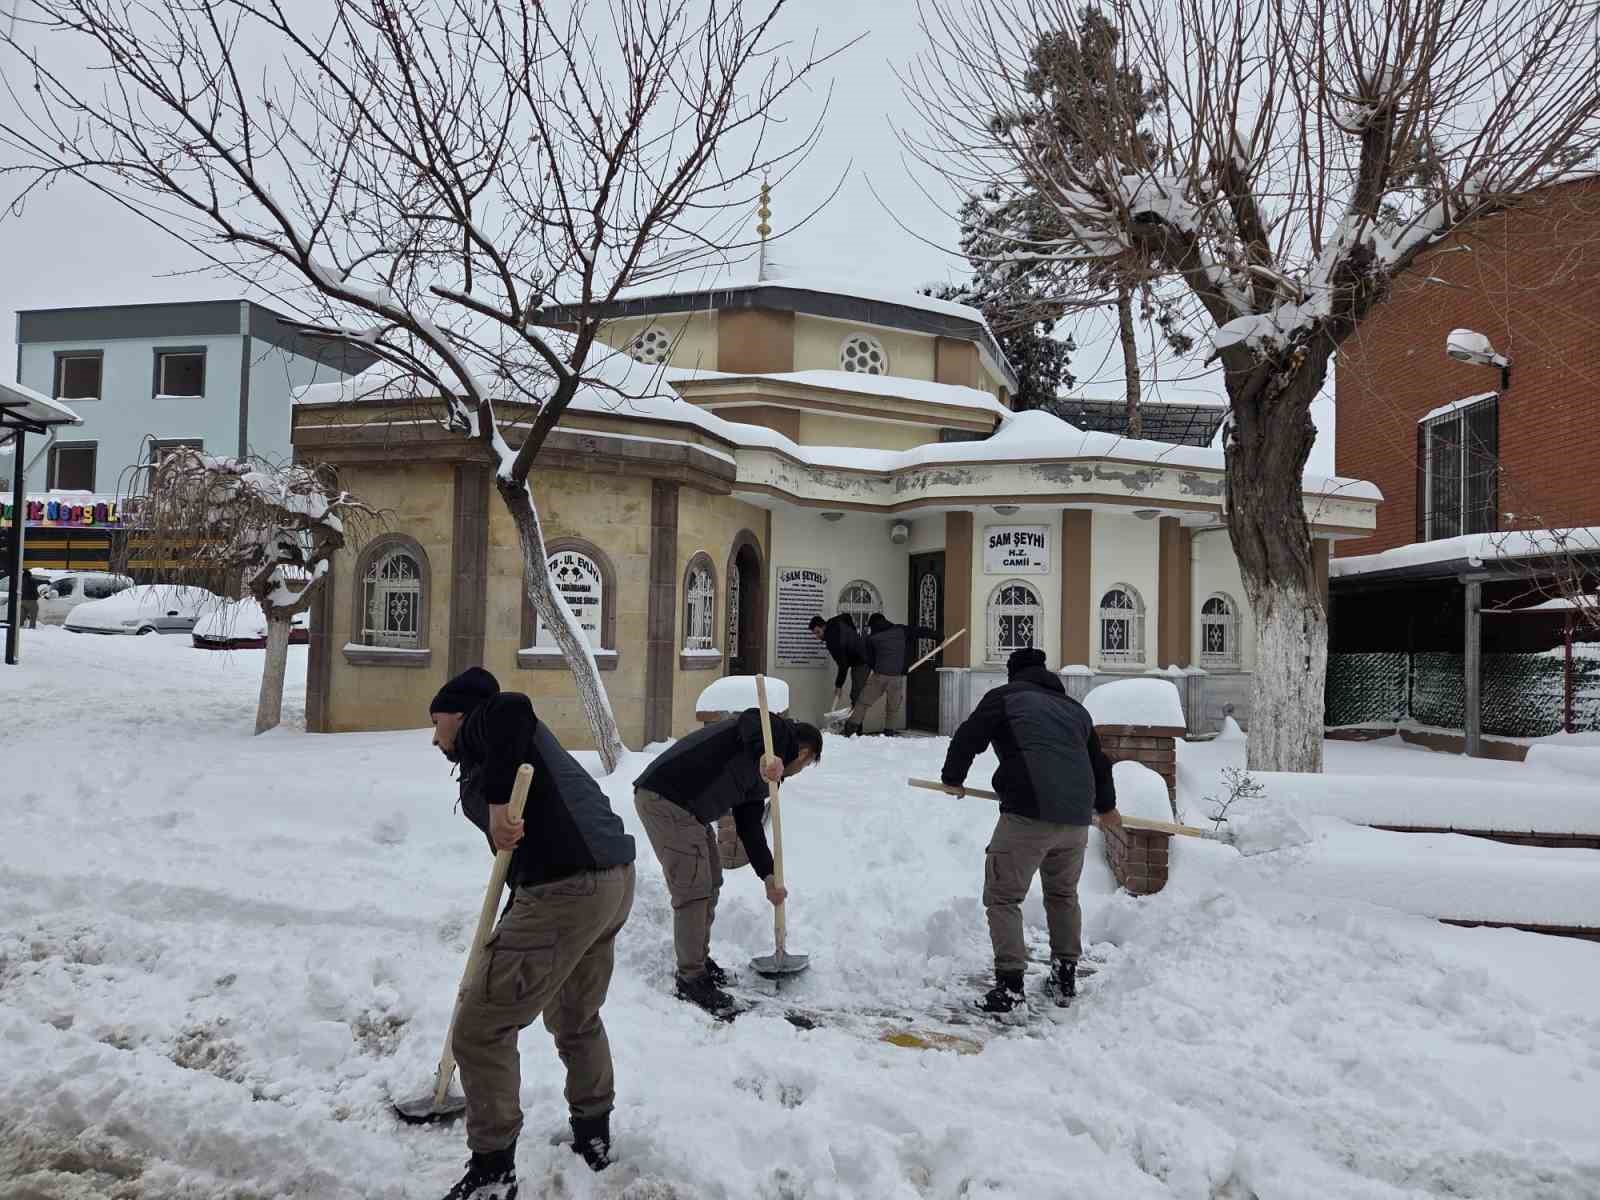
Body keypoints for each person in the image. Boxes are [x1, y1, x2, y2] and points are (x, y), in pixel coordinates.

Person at [429, 667, 637, 1198]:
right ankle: (594, 1132)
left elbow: (510, 703)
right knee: (574, 1013)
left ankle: (493, 1172)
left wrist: (497, 805)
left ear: (459, 713)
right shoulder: (505, 750)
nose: (435, 738)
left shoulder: (490, 719)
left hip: (569, 887)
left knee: (480, 1027)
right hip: (608, 880)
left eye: (437, 723)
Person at [939, 647, 1122, 1013]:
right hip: (1075, 821)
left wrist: (952, 779)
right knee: (1063, 894)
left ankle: (1010, 989)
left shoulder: (1005, 698)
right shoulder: (1076, 710)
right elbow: (1099, 764)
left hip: (1027, 815)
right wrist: (1107, 807)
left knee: (1004, 897)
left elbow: (967, 737)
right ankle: (1064, 977)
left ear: (1013, 674)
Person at [634, 709, 822, 1015]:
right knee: (693, 889)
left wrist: (768, 876)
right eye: (807, 764)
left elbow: (749, 824)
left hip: (689, 811)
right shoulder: (772, 730)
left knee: (711, 880)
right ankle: (691, 979)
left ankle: (699, 960)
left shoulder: (767, 779)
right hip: (665, 799)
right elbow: (747, 719)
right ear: (804, 754)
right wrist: (766, 756)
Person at [845, 612, 939, 736]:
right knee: (893, 707)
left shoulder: (872, 638)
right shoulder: (901, 630)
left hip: (879, 676)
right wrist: (938, 636)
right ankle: (889, 733)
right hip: (896, 677)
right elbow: (921, 631)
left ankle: (850, 729)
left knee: (863, 702)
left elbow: (869, 658)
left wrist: (877, 667)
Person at [808, 612, 869, 720]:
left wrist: (838, 686)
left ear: (823, 626)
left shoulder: (832, 641)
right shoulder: (833, 621)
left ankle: (855, 730)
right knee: (856, 694)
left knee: (857, 695)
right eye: (815, 634)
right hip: (859, 654)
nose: (817, 637)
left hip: (861, 661)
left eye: (818, 632)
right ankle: (854, 726)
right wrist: (853, 636)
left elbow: (843, 665)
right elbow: (847, 616)